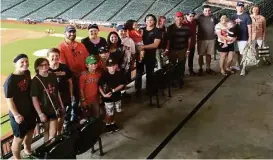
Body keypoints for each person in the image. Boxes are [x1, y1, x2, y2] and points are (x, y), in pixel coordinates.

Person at [4, 54, 36, 159]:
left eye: (26, 61)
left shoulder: (27, 73)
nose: (25, 64)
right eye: (22, 62)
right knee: (18, 138)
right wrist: (16, 115)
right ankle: (17, 158)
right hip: (18, 114)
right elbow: (9, 100)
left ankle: (27, 151)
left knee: (31, 131)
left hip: (29, 110)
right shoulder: (10, 80)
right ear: (15, 64)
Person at [58, 25, 89, 122]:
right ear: (65, 33)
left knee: (83, 97)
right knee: (72, 100)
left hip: (83, 76)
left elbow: (87, 59)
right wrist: (74, 73)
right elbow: (63, 65)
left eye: (73, 32)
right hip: (71, 79)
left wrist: (85, 71)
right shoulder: (61, 47)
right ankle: (70, 121)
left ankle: (80, 116)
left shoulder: (81, 45)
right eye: (69, 32)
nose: (72, 34)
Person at [31, 58, 64, 142]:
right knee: (46, 131)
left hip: (54, 108)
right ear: (37, 67)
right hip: (44, 110)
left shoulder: (52, 75)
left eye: (46, 64)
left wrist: (61, 104)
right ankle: (47, 149)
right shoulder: (35, 81)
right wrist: (40, 114)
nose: (45, 66)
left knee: (53, 132)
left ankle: (50, 148)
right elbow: (34, 98)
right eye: (42, 65)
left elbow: (57, 92)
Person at [47, 48, 73, 134]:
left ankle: (59, 132)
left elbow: (70, 82)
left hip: (64, 95)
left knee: (62, 115)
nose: (55, 58)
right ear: (48, 57)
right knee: (54, 118)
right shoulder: (45, 70)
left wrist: (71, 94)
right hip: (52, 98)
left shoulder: (64, 67)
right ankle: (54, 134)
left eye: (57, 56)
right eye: (52, 56)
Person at [135, 14, 161, 96]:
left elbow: (155, 44)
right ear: (145, 21)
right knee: (138, 73)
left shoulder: (157, 31)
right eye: (147, 20)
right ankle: (138, 90)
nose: (149, 21)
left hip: (150, 55)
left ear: (154, 21)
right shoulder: (141, 30)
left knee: (150, 73)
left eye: (151, 20)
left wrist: (143, 47)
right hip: (140, 55)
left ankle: (149, 90)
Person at [99, 58, 125, 133]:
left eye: (113, 65)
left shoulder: (119, 74)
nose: (112, 67)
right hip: (108, 98)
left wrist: (114, 90)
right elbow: (99, 86)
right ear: (107, 67)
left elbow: (122, 84)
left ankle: (113, 123)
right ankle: (107, 124)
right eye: (110, 66)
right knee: (109, 112)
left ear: (116, 66)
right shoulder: (104, 75)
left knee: (115, 111)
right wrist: (104, 95)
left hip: (117, 96)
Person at [166, 11, 192, 88]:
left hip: (182, 49)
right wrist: (167, 49)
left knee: (181, 64)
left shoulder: (187, 28)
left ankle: (180, 78)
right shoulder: (170, 28)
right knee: (172, 64)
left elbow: (189, 39)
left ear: (183, 19)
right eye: (178, 17)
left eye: (181, 18)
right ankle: (172, 79)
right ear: (175, 18)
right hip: (173, 49)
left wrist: (188, 49)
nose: (179, 19)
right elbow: (168, 40)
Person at [231, 1, 252, 76]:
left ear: (243, 8)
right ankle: (238, 65)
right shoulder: (233, 16)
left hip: (244, 38)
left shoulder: (246, 16)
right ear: (236, 7)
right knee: (237, 52)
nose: (240, 8)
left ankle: (243, 68)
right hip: (236, 38)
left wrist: (250, 38)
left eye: (242, 6)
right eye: (239, 6)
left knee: (244, 54)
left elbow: (249, 28)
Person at [196, 5, 218, 76]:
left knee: (209, 54)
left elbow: (218, 25)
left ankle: (208, 68)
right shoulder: (199, 18)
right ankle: (200, 69)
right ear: (203, 11)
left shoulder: (213, 17)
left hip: (211, 39)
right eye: (206, 10)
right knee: (201, 54)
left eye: (209, 10)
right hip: (201, 39)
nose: (207, 12)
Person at [184, 10, 197, 75]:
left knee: (191, 57)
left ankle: (190, 70)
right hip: (185, 45)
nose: (192, 17)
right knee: (183, 59)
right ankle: (181, 72)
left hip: (192, 43)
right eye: (190, 16)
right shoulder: (184, 23)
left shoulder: (194, 22)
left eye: (193, 16)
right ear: (186, 16)